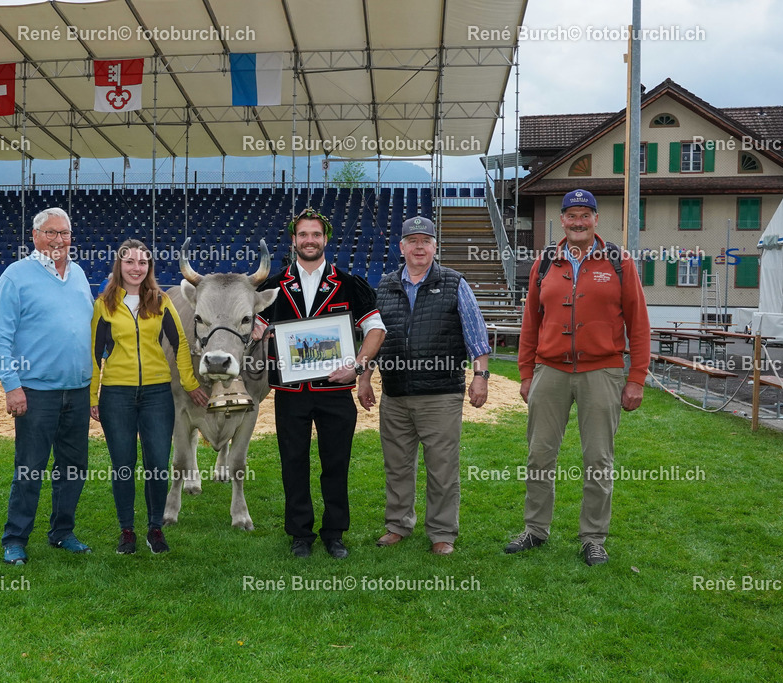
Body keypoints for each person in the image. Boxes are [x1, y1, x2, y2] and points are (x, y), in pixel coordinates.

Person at [505, 189, 650, 566]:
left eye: (586, 215)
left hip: (602, 371)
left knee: (598, 459)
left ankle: (593, 537)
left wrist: (636, 378)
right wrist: (525, 373)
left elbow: (639, 324)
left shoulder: (619, 262)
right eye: (572, 215)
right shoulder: (545, 262)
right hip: (549, 371)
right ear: (563, 219)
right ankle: (535, 530)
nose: (579, 222)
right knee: (539, 455)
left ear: (596, 220)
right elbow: (530, 324)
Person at [254, 208, 386, 559]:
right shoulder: (271, 287)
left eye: (315, 234)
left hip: (336, 390)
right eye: (303, 235)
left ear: (326, 239)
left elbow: (376, 329)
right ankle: (300, 534)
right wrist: (256, 332)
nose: (309, 240)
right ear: (293, 240)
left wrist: (357, 369)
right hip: (290, 392)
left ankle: (334, 533)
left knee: (336, 462)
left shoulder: (349, 283)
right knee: (293, 462)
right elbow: (252, 325)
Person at [369, 215, 490, 556]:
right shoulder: (386, 286)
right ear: (402, 247)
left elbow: (476, 336)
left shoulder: (454, 282)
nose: (419, 247)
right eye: (413, 241)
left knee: (442, 468)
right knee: (397, 466)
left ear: (435, 246)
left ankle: (442, 532)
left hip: (440, 394)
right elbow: (375, 338)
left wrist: (480, 377)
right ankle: (397, 525)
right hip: (395, 395)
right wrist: (365, 378)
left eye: (426, 240)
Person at [0, 207, 95, 566]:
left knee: (73, 468)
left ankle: (62, 532)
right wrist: (11, 386)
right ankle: (15, 538)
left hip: (77, 391)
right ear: (35, 236)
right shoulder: (16, 276)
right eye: (51, 233)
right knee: (30, 468)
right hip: (35, 392)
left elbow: (90, 330)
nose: (59, 240)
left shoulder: (78, 275)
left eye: (64, 233)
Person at [89, 239, 208, 555]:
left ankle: (155, 529)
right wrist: (93, 395)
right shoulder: (104, 304)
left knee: (157, 464)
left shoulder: (161, 300)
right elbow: (93, 353)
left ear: (148, 267)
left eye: (142, 262)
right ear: (120, 266)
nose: (136, 268)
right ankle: (127, 531)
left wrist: (191, 383)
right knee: (123, 465)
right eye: (130, 262)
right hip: (117, 394)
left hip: (157, 394)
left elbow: (180, 344)